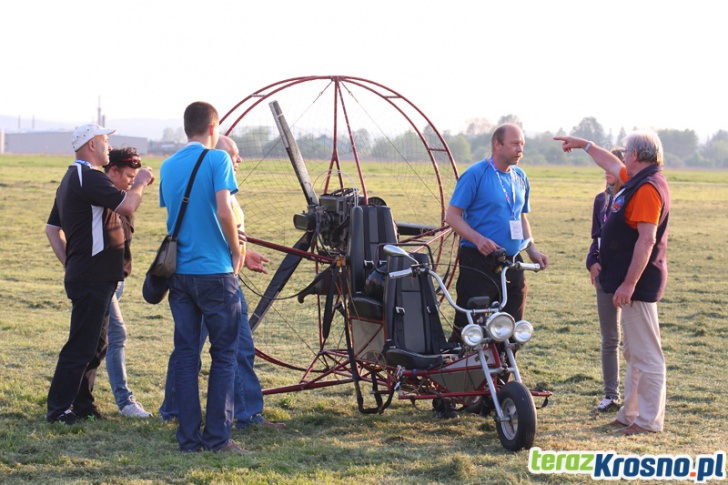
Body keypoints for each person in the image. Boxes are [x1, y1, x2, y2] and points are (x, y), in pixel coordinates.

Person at [158, 135, 283, 431]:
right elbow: (214, 222)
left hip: (207, 271)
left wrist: (243, 252)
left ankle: (181, 411)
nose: (238, 160)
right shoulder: (214, 177)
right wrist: (236, 251)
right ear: (218, 155)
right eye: (234, 155)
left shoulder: (203, 179)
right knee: (225, 349)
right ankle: (237, 417)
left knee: (197, 349)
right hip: (214, 276)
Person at [555, 132, 670, 435]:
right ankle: (630, 414)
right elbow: (607, 160)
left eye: (626, 153)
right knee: (634, 352)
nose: (621, 159)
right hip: (628, 282)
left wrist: (629, 283)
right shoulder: (635, 180)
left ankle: (648, 422)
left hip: (639, 284)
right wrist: (584, 145)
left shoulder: (647, 188)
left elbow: (647, 240)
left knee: (646, 354)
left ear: (635, 155)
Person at [45, 124, 154, 424]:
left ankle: (82, 404)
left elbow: (52, 230)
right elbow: (128, 204)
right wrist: (141, 181)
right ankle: (59, 409)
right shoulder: (87, 177)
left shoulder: (71, 178)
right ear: (91, 145)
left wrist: (72, 264)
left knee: (96, 344)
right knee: (81, 345)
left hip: (94, 276)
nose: (108, 146)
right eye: (105, 141)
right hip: (92, 277)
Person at [159, 102, 245, 454]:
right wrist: (236, 249)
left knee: (185, 354)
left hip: (180, 273)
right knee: (224, 355)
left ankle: (188, 438)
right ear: (214, 127)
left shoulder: (168, 165)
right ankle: (217, 439)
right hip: (215, 272)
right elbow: (224, 210)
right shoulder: (218, 160)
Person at [445, 123, 549, 345]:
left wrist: (531, 248)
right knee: (470, 329)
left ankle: (503, 377)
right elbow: (452, 216)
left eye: (522, 144)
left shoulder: (520, 177)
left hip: (512, 262)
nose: (520, 149)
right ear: (497, 144)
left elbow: (521, 216)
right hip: (478, 261)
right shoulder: (475, 174)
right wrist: (478, 239)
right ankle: (461, 375)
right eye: (514, 144)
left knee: (511, 330)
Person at [101, 147, 153, 418]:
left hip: (117, 279)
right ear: (112, 172)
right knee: (117, 335)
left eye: (135, 177)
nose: (132, 181)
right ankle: (125, 402)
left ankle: (74, 396)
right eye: (128, 176)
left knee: (97, 341)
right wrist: (142, 182)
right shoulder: (103, 194)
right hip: (101, 280)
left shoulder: (119, 196)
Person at [587, 150, 625, 414]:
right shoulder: (601, 200)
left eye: (610, 165)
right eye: (603, 164)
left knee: (632, 342)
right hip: (605, 277)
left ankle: (636, 396)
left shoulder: (633, 197)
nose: (605, 169)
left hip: (629, 277)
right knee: (609, 338)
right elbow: (596, 237)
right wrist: (592, 262)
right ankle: (611, 395)